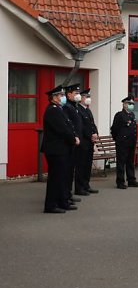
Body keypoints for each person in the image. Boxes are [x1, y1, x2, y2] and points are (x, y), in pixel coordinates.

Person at [41, 85, 78, 213]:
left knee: (62, 177)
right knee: (56, 178)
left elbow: (68, 126)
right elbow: (62, 129)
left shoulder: (59, 109)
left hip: (62, 149)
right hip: (56, 150)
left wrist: (73, 137)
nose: (63, 98)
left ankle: (62, 202)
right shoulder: (53, 110)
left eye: (63, 95)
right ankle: (51, 205)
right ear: (54, 98)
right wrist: (73, 139)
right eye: (60, 96)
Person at [111, 96, 138, 189]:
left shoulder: (132, 115)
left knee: (130, 162)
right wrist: (118, 139)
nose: (131, 105)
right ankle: (120, 182)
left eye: (132, 104)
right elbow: (114, 129)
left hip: (131, 142)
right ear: (124, 104)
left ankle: (131, 180)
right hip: (122, 143)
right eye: (129, 103)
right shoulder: (119, 115)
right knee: (121, 162)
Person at [62, 83, 85, 205]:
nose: (78, 95)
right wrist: (74, 138)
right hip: (71, 143)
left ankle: (68, 194)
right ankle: (65, 195)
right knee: (68, 172)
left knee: (71, 170)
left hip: (77, 142)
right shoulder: (67, 107)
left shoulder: (74, 106)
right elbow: (68, 126)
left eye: (78, 93)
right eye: (76, 93)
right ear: (69, 94)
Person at [76, 88, 99, 195]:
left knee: (87, 165)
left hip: (90, 142)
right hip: (83, 142)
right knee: (81, 165)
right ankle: (79, 187)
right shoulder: (78, 109)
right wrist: (90, 135)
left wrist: (95, 134)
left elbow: (92, 124)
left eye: (89, 97)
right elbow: (81, 127)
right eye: (86, 97)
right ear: (81, 98)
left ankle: (86, 185)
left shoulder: (87, 110)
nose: (88, 99)